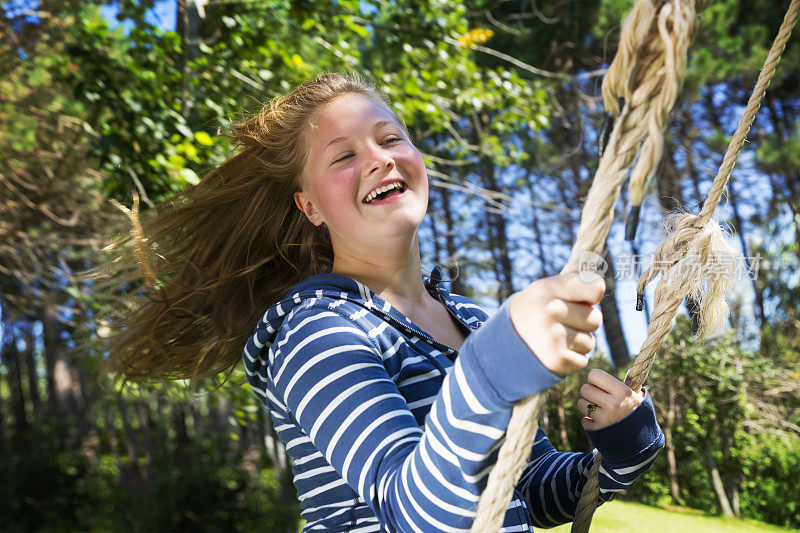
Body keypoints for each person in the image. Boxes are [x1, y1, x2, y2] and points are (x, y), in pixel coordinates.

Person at [101, 72, 664, 532]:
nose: (378, 158)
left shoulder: (470, 320)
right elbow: (413, 514)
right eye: (342, 156)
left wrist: (618, 448)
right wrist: (490, 370)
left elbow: (530, 492)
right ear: (309, 207)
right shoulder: (314, 333)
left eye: (390, 138)